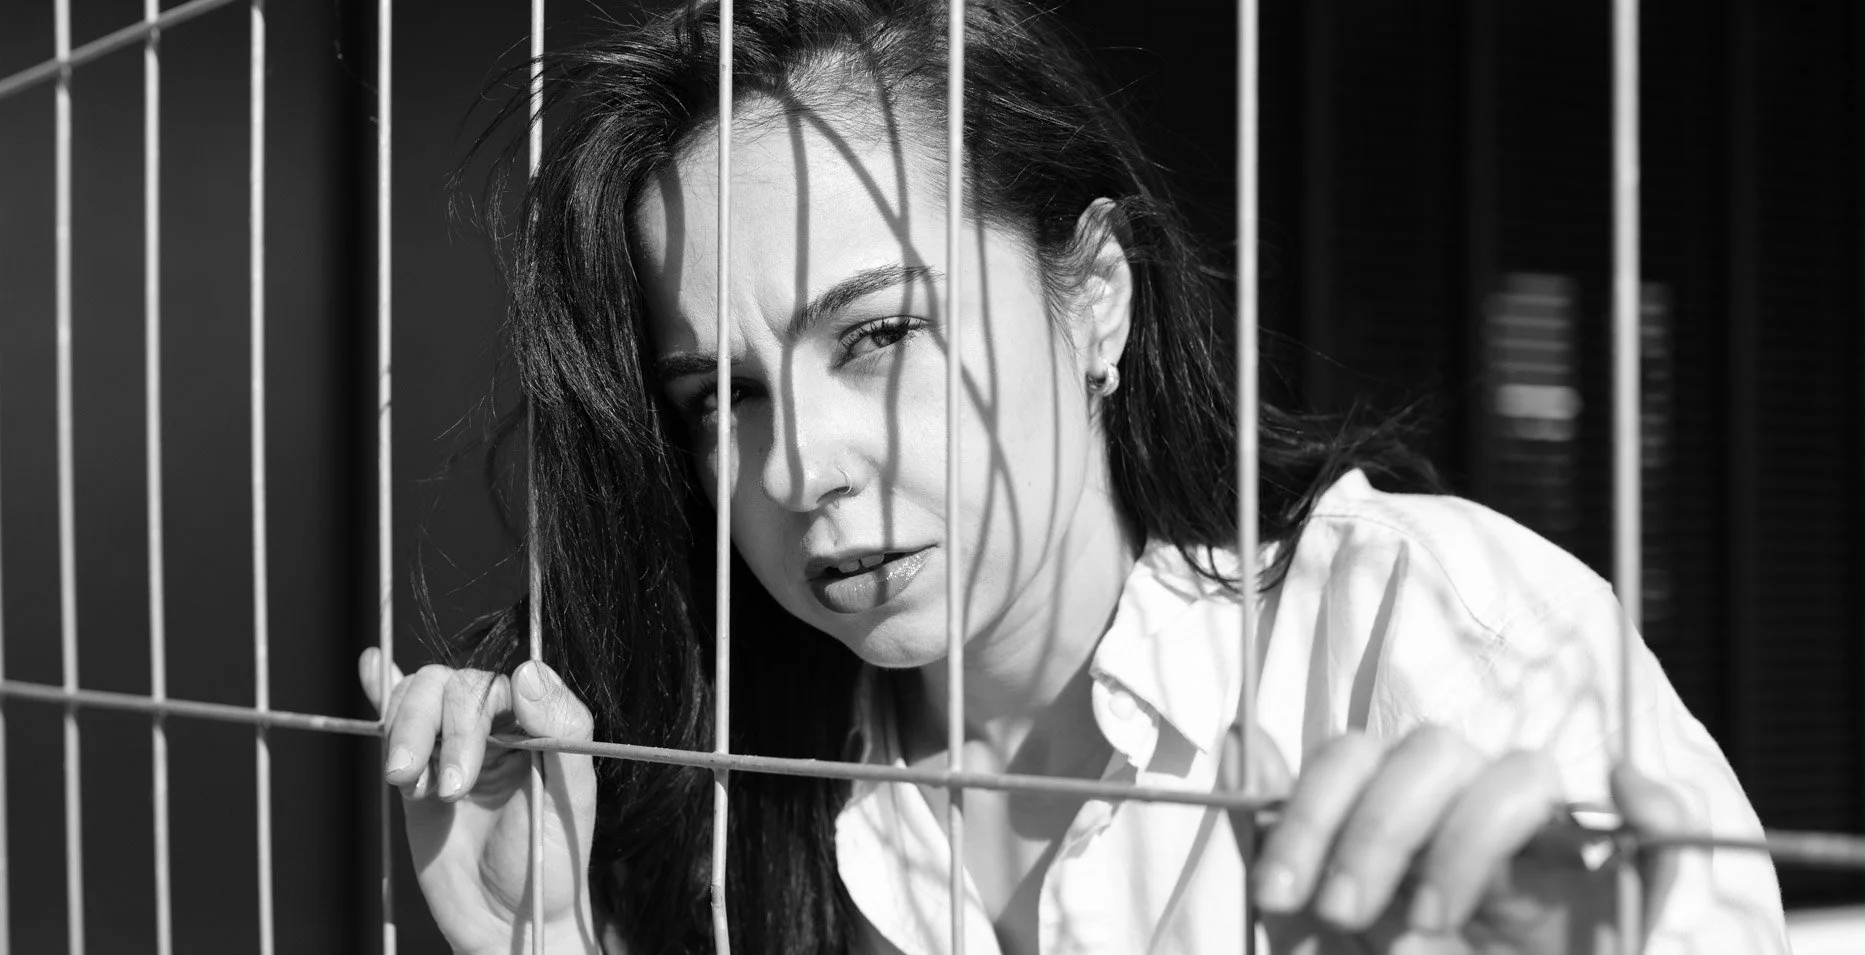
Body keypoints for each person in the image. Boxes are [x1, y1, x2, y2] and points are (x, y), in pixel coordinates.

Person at [356, 1, 1790, 952]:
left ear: (1095, 293)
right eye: (719, 393)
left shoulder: (1425, 629)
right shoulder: (717, 784)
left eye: (881, 333)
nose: (799, 466)